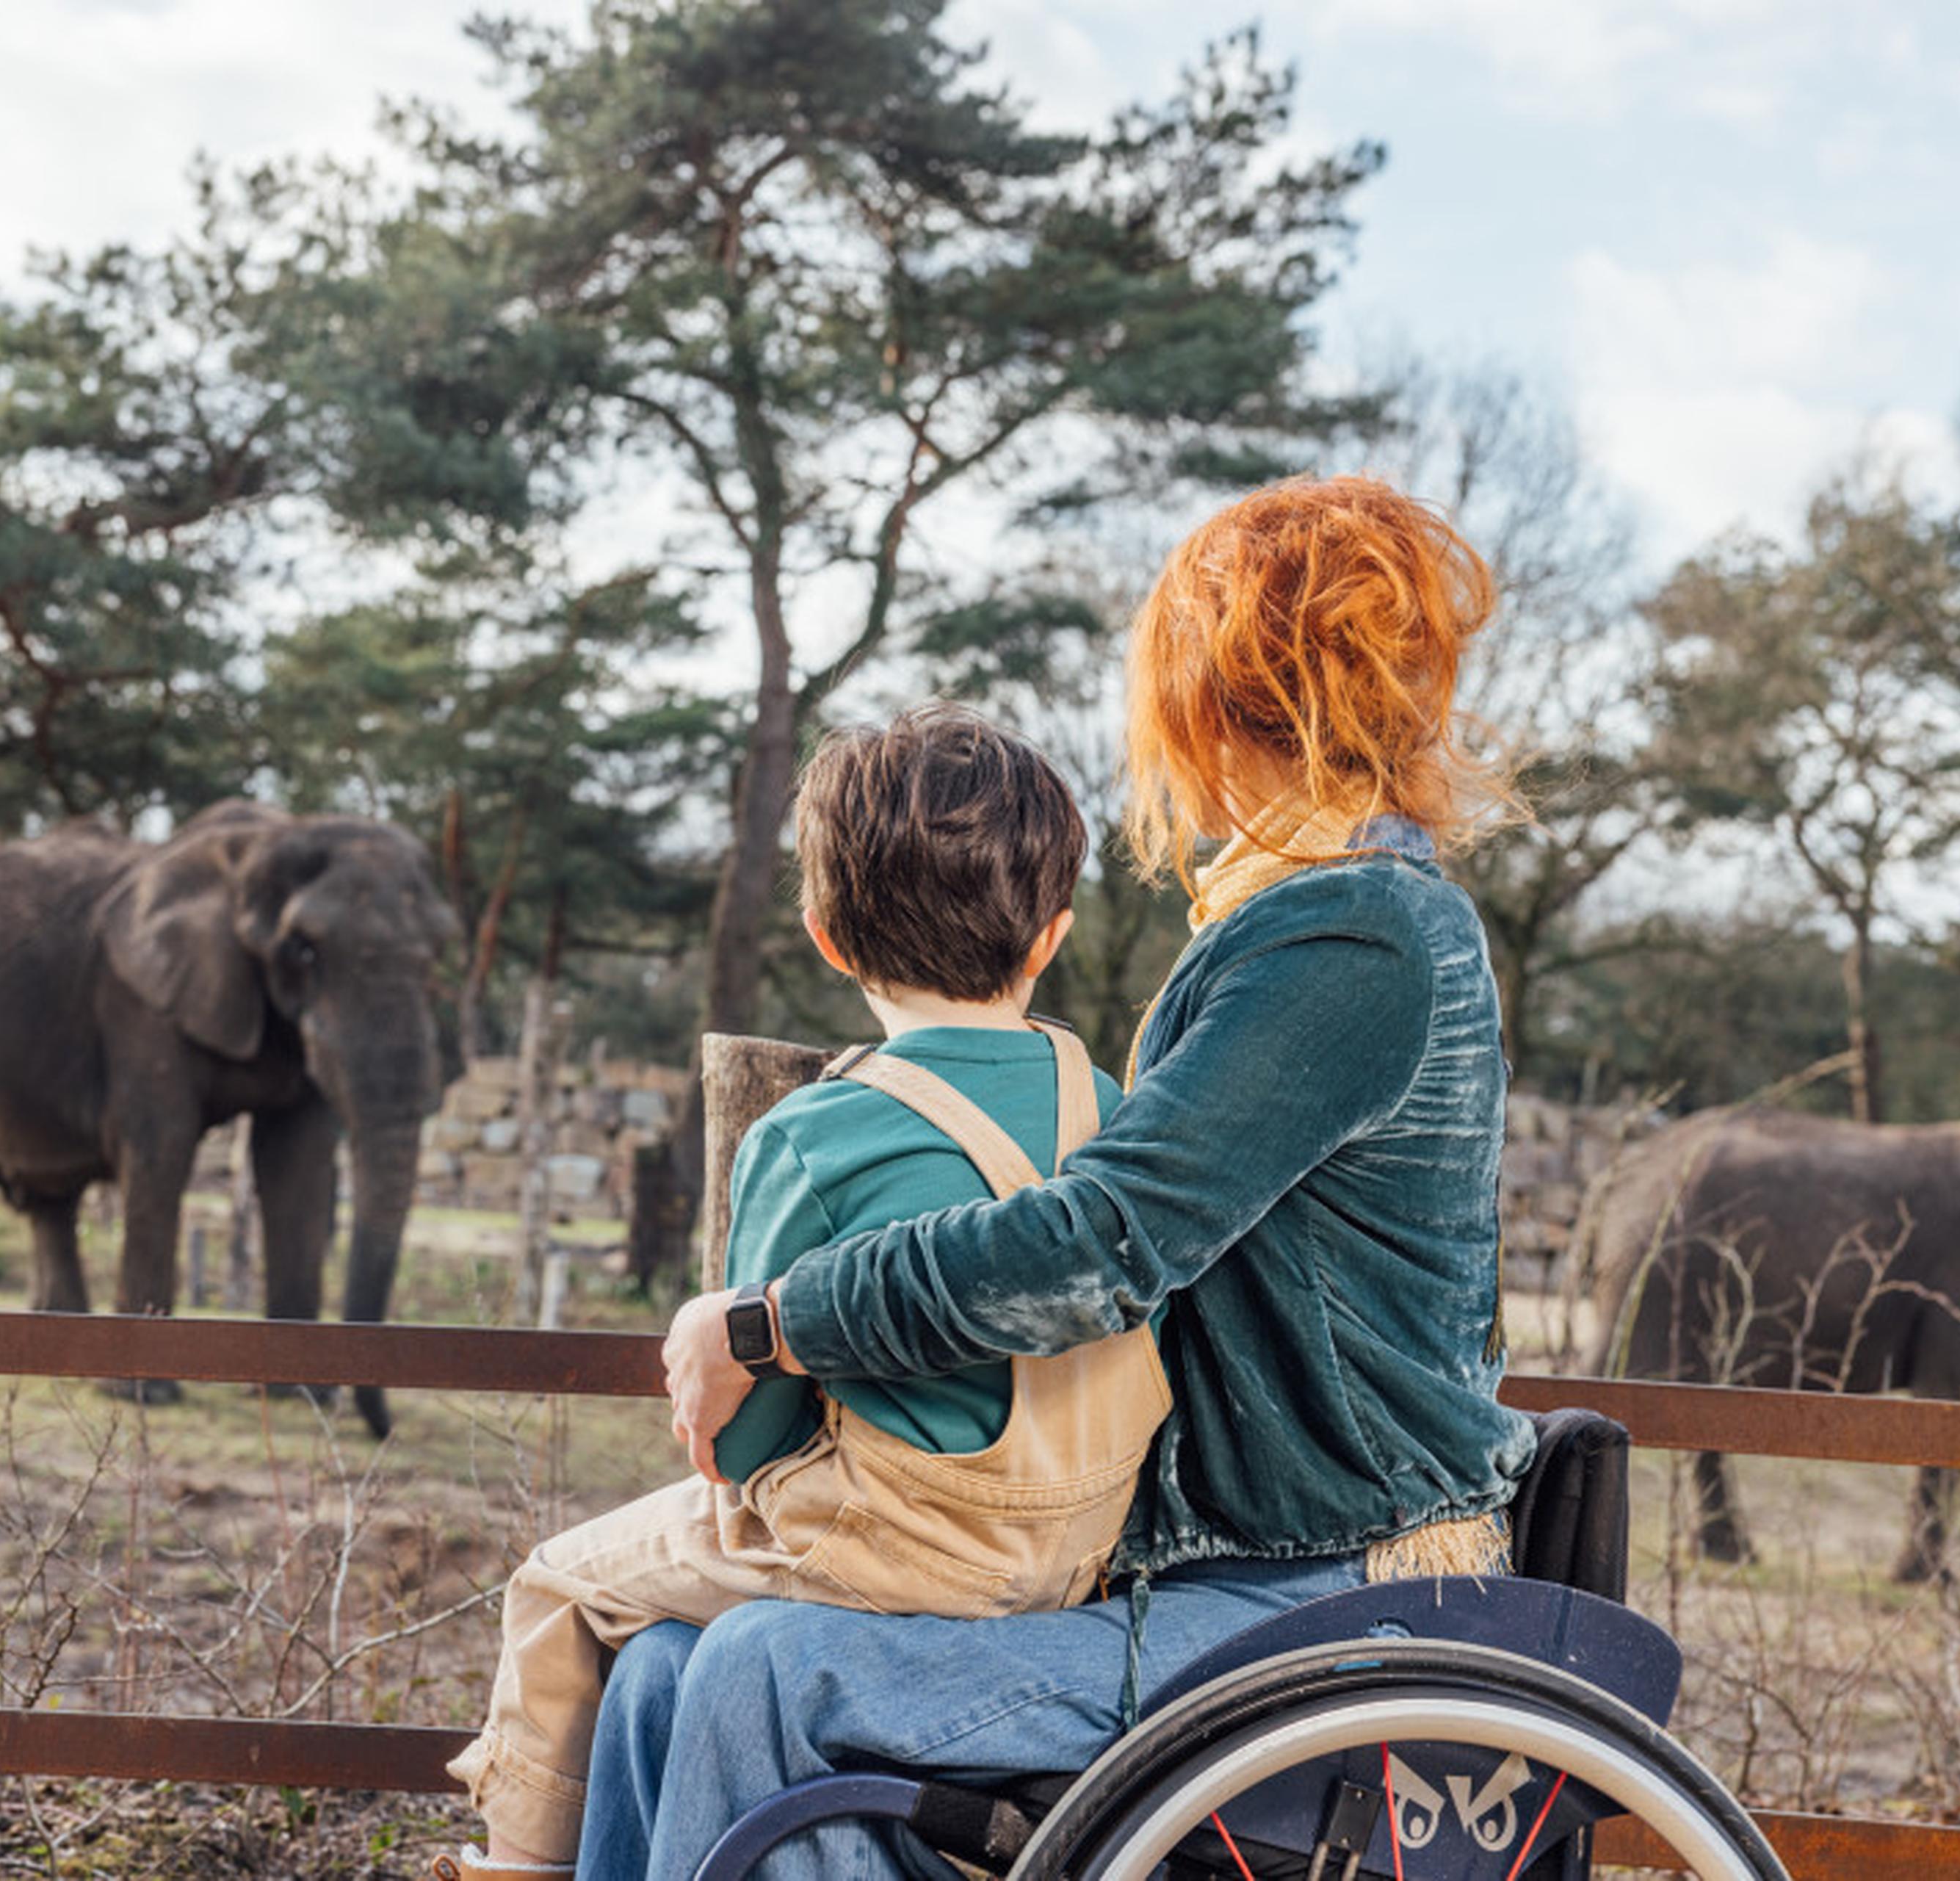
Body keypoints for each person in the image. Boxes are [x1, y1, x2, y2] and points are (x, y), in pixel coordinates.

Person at [609, 474, 1540, 1880]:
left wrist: (772, 1317)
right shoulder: (1315, 922)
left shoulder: (1352, 943)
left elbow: (1098, 1246)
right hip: (1232, 1575)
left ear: (1213, 701)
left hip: (1327, 1593)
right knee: (663, 1673)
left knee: (763, 1674)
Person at [436, 705, 1162, 1881]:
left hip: (887, 1553)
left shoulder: (819, 1134)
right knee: (666, 1654)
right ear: (1053, 936)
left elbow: (746, 1442)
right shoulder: (1114, 1107)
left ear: (826, 938)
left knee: (560, 1584)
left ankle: (511, 1870)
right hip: (1072, 1551)